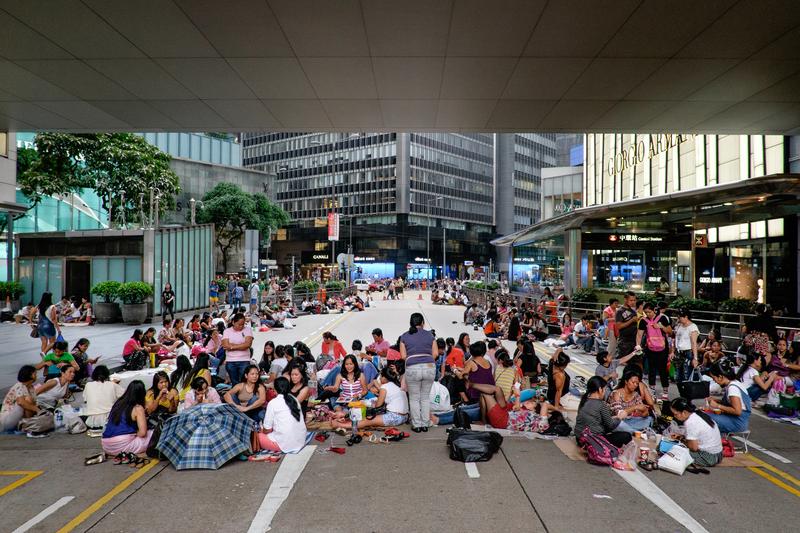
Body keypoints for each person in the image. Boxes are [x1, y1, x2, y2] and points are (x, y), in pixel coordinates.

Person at [336, 367, 409, 430]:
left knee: (367, 420)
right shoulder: (397, 385)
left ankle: (340, 425)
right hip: (405, 417)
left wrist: (367, 404)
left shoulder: (384, 387)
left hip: (395, 417)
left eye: (380, 377)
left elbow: (378, 405)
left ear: (384, 377)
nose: (379, 379)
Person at [399, 312, 437, 432]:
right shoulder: (430, 335)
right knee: (425, 397)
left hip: (413, 367)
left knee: (414, 398)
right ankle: (425, 424)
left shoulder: (404, 336)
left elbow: (403, 356)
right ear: (422, 323)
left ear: (411, 323)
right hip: (429, 366)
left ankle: (417, 425)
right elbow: (435, 354)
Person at [575, 376, 632, 448]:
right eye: (604, 389)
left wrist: (614, 417)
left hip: (579, 438)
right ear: (600, 389)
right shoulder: (601, 404)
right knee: (627, 436)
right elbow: (610, 426)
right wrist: (619, 417)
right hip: (591, 441)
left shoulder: (584, 400)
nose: (605, 392)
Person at [101, 381, 152, 456]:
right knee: (153, 434)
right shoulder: (138, 408)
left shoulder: (118, 403)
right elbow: (143, 433)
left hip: (106, 445)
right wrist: (135, 433)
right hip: (121, 446)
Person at [670, 397, 724, 467]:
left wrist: (681, 440)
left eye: (675, 414)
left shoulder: (690, 422)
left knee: (674, 450)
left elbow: (693, 448)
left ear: (684, 412)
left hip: (709, 458)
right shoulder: (699, 413)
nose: (674, 416)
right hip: (719, 455)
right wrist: (682, 437)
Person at [258, 377, 307, 453]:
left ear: (275, 390)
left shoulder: (273, 403)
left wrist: (262, 430)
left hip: (285, 444)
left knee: (257, 436)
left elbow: (267, 430)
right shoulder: (294, 399)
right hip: (301, 440)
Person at [635, 303, 672, 400]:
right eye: (646, 312)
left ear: (654, 310)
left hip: (663, 349)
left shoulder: (662, 318)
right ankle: (652, 391)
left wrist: (660, 327)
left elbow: (670, 331)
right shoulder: (643, 321)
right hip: (650, 348)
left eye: (649, 312)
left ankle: (665, 391)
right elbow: (639, 334)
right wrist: (638, 345)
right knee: (651, 369)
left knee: (663, 370)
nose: (648, 314)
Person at [706, 359, 751, 434]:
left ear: (720, 377)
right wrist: (718, 400)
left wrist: (717, 405)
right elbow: (734, 403)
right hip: (739, 421)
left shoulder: (732, 388)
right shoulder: (735, 383)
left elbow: (737, 411)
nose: (715, 381)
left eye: (714, 378)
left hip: (737, 422)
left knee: (703, 418)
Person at [608, 367, 655, 433]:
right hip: (618, 421)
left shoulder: (635, 394)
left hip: (630, 421)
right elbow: (620, 415)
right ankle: (635, 431)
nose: (635, 385)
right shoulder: (616, 393)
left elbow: (644, 413)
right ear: (626, 381)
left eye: (637, 383)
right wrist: (635, 407)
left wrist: (644, 410)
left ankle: (632, 431)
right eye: (633, 382)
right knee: (620, 424)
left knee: (649, 419)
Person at [1, 365, 39, 432]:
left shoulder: (31, 388)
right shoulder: (20, 385)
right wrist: (37, 409)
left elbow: (34, 403)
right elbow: (21, 402)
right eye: (35, 374)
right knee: (27, 400)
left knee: (30, 402)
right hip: (7, 418)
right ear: (30, 375)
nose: (36, 376)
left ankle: (29, 423)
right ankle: (28, 424)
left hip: (18, 417)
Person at [221, 313, 254, 386]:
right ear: (233, 322)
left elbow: (248, 344)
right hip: (230, 360)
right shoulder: (227, 331)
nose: (241, 326)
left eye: (242, 324)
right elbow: (225, 345)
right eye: (239, 324)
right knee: (234, 382)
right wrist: (241, 345)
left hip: (244, 360)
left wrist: (232, 346)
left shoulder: (248, 330)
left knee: (243, 382)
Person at [673, 309, 700, 383]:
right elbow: (675, 339)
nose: (679, 319)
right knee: (678, 375)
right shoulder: (679, 326)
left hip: (688, 351)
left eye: (680, 318)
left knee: (686, 374)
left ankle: (687, 392)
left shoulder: (693, 327)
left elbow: (694, 343)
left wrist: (695, 358)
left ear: (686, 317)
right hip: (679, 352)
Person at [614, 291, 639, 363]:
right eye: (631, 300)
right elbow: (619, 326)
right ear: (625, 299)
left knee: (634, 362)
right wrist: (631, 320)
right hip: (625, 341)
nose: (633, 302)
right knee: (622, 362)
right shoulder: (620, 311)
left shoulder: (632, 311)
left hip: (634, 340)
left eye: (634, 300)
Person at [36, 292, 59, 357]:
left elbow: (32, 312)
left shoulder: (39, 305)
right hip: (49, 326)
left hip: (40, 326)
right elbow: (54, 319)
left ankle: (44, 359)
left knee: (44, 342)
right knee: (53, 342)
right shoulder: (52, 307)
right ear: (49, 298)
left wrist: (30, 321)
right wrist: (58, 329)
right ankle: (44, 352)